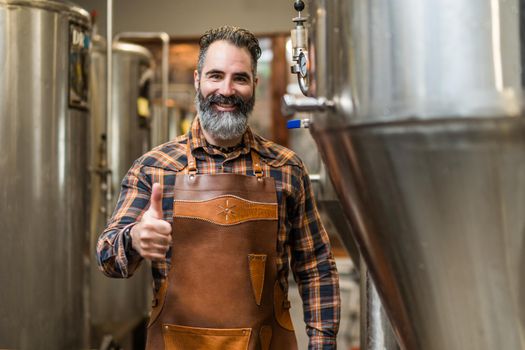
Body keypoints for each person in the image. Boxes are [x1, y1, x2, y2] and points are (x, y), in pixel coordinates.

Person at [97, 25, 340, 350]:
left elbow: (316, 266)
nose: (226, 90)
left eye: (239, 78)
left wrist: (322, 343)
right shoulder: (155, 167)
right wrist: (135, 239)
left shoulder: (286, 168)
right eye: (215, 76)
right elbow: (107, 258)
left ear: (255, 84)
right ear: (198, 79)